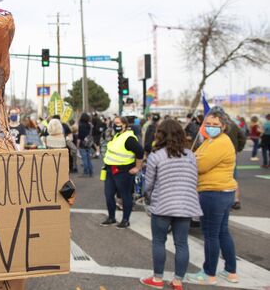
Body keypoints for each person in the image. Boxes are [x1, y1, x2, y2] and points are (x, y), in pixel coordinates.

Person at [140, 119, 203, 290]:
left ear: (159, 135)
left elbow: (149, 184)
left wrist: (147, 194)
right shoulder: (190, 155)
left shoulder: (156, 156)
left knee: (159, 242)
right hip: (186, 205)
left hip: (163, 205)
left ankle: (158, 279)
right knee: (182, 243)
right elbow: (194, 179)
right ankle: (177, 281)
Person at [187, 110, 239, 285]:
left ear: (224, 126)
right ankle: (230, 271)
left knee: (210, 235)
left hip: (213, 192)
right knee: (222, 232)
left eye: (215, 125)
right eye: (207, 124)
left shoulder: (220, 143)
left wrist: (195, 159)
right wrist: (195, 157)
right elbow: (196, 157)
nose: (210, 127)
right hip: (222, 191)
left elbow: (199, 164)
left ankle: (209, 273)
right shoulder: (213, 141)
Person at [100, 116, 144, 229]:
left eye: (118, 123)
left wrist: (137, 168)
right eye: (114, 123)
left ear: (125, 124)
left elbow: (140, 151)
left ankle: (125, 220)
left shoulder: (129, 138)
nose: (115, 125)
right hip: (110, 170)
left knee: (125, 196)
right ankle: (111, 217)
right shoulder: (117, 136)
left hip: (123, 172)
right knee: (108, 195)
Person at [78, 113, 94, 177]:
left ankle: (85, 172)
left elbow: (80, 136)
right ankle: (91, 172)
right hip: (89, 143)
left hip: (82, 143)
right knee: (88, 158)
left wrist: (78, 144)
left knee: (84, 158)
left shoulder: (81, 125)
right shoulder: (89, 125)